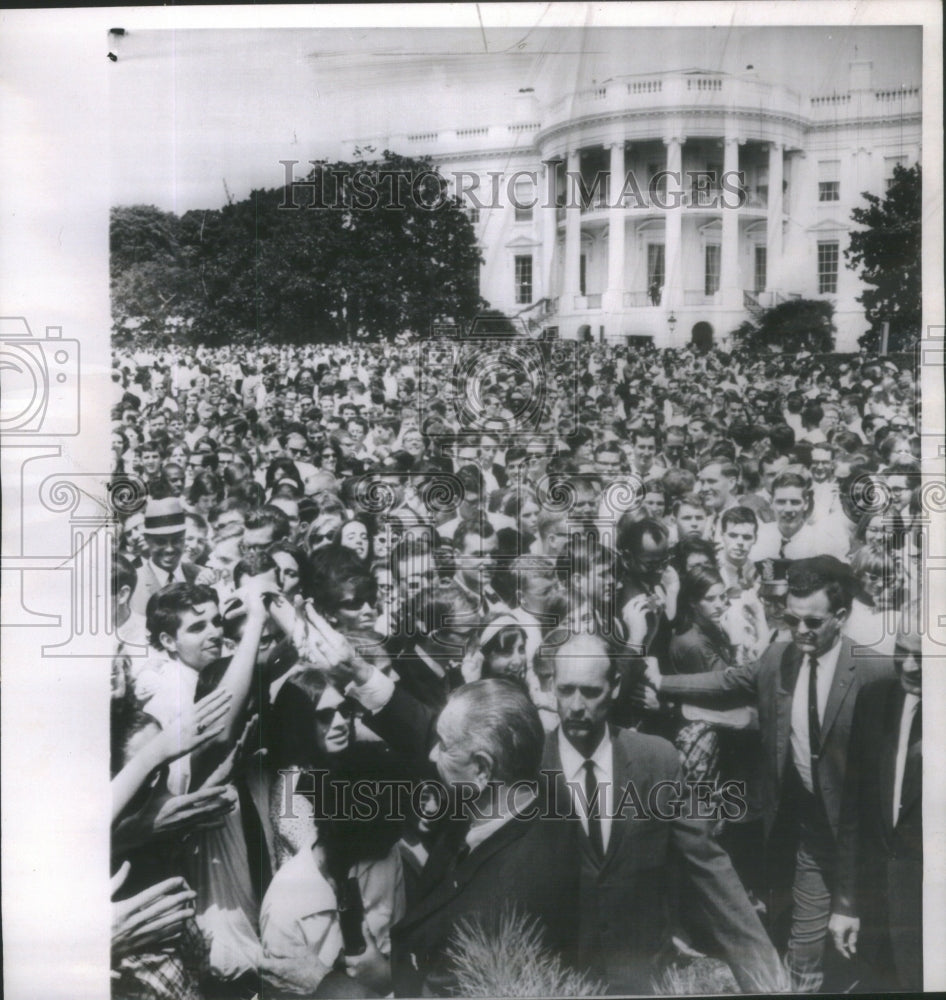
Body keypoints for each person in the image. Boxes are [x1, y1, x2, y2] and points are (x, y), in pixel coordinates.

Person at [644, 557, 894, 991]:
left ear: (840, 616)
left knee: (876, 946)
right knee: (803, 948)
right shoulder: (781, 656)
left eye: (812, 622)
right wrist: (660, 682)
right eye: (791, 619)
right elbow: (729, 682)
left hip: (868, 840)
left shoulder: (875, 673)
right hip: (808, 829)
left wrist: (852, 896)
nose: (801, 631)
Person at [541, 631, 782, 994]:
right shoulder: (527, 768)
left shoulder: (657, 760)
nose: (576, 705)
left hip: (643, 978)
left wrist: (765, 975)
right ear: (550, 685)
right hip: (555, 980)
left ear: (616, 685)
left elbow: (709, 869)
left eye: (591, 692)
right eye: (566, 690)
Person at [828, 623, 922, 991]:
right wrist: (847, 902)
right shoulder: (875, 699)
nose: (910, 666)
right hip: (878, 915)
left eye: (925, 657)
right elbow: (853, 812)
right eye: (903, 651)